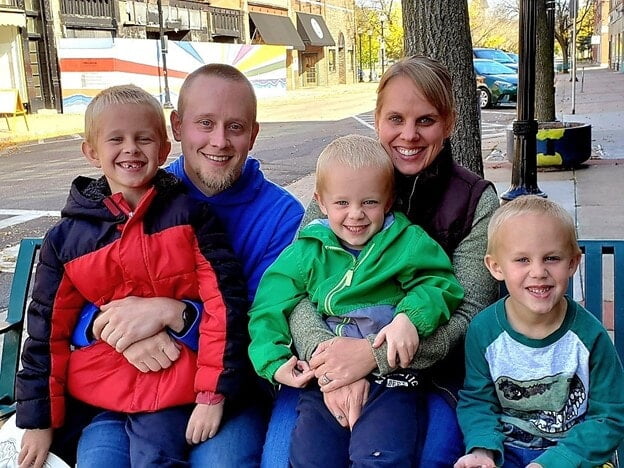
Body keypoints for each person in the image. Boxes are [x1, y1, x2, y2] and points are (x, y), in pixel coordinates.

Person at [264, 55, 500, 466]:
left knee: (422, 458)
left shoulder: (475, 201)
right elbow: (298, 287)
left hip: (432, 371)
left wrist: (371, 358)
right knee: (283, 459)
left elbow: (469, 313)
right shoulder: (344, 178)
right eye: (396, 119)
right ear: (377, 120)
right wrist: (330, 360)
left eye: (426, 120)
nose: (409, 134)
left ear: (448, 123)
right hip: (327, 362)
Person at [73, 65, 305, 466]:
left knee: (219, 463)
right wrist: (106, 327)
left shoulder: (281, 217)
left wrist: (174, 314)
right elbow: (73, 291)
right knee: (101, 460)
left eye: (235, 127)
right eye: (205, 123)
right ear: (177, 127)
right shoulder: (135, 192)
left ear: (253, 134)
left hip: (228, 393)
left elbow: (260, 325)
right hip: (129, 382)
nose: (219, 141)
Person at [15, 84, 249, 468]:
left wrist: (213, 394)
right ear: (92, 152)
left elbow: (225, 307)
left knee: (155, 457)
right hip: (102, 390)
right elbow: (47, 330)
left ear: (164, 149)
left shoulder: (192, 218)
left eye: (143, 139)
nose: (131, 149)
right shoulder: (68, 239)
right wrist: (39, 421)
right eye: (116, 139)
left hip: (173, 386)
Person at [248, 134, 464, 466]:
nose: (356, 214)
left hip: (393, 377)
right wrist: (274, 361)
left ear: (389, 201)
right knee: (311, 458)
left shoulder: (406, 242)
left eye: (369, 202)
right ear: (321, 202)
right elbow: (269, 304)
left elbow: (440, 284)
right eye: (342, 203)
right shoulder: (308, 251)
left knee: (380, 456)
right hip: (326, 376)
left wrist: (410, 318)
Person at [455, 195, 624, 468]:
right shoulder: (484, 331)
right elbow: (478, 401)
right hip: (507, 452)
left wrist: (553, 462)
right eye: (522, 259)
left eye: (552, 258)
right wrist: (483, 450)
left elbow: (610, 416)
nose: (538, 271)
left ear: (572, 263)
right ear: (496, 267)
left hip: (575, 454)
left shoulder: (589, 335)